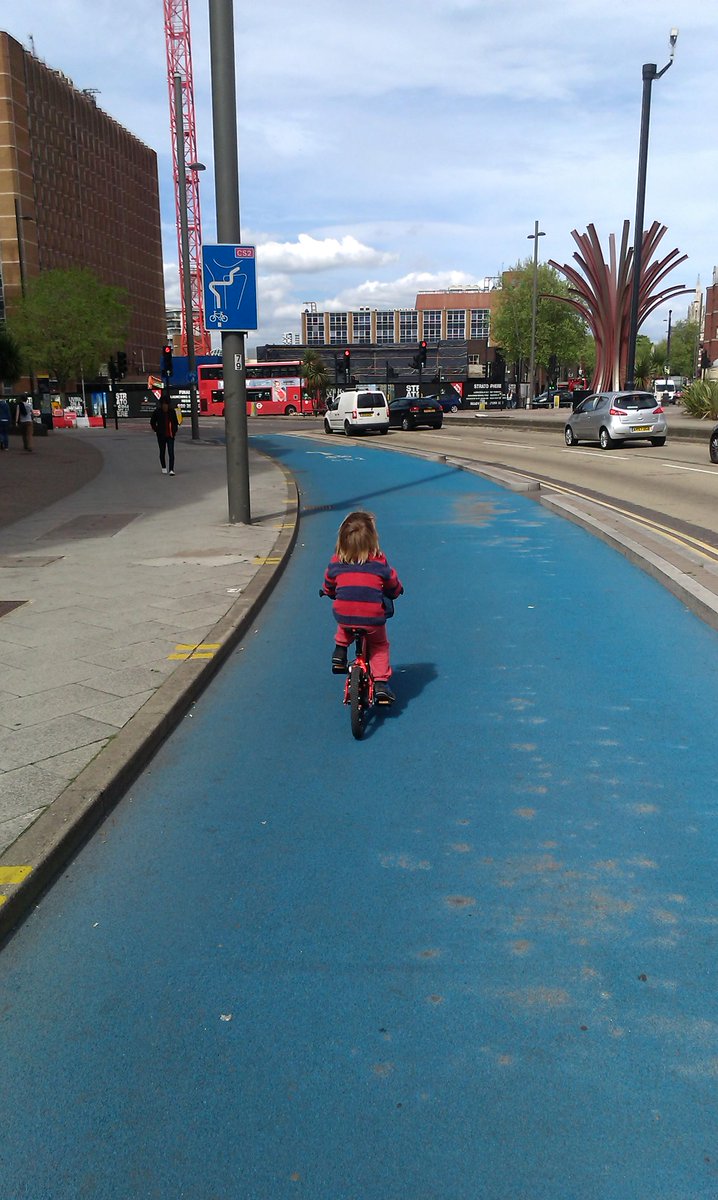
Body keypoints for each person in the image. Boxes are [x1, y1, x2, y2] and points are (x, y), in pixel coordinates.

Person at [322, 510, 403, 705]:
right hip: (372, 618)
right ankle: (381, 683)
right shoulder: (379, 561)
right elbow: (391, 582)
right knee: (379, 644)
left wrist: (328, 591)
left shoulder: (336, 561)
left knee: (345, 618)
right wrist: (397, 590)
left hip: (344, 615)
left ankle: (340, 651)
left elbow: (328, 583)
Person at [149, 395, 179, 474]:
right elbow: (152, 422)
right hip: (161, 436)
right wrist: (156, 430)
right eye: (163, 404)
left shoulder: (172, 412)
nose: (165, 406)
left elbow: (175, 422)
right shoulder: (157, 412)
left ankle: (171, 469)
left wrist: (174, 431)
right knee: (162, 452)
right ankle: (163, 466)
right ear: (161, 404)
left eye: (166, 404)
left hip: (170, 435)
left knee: (171, 452)